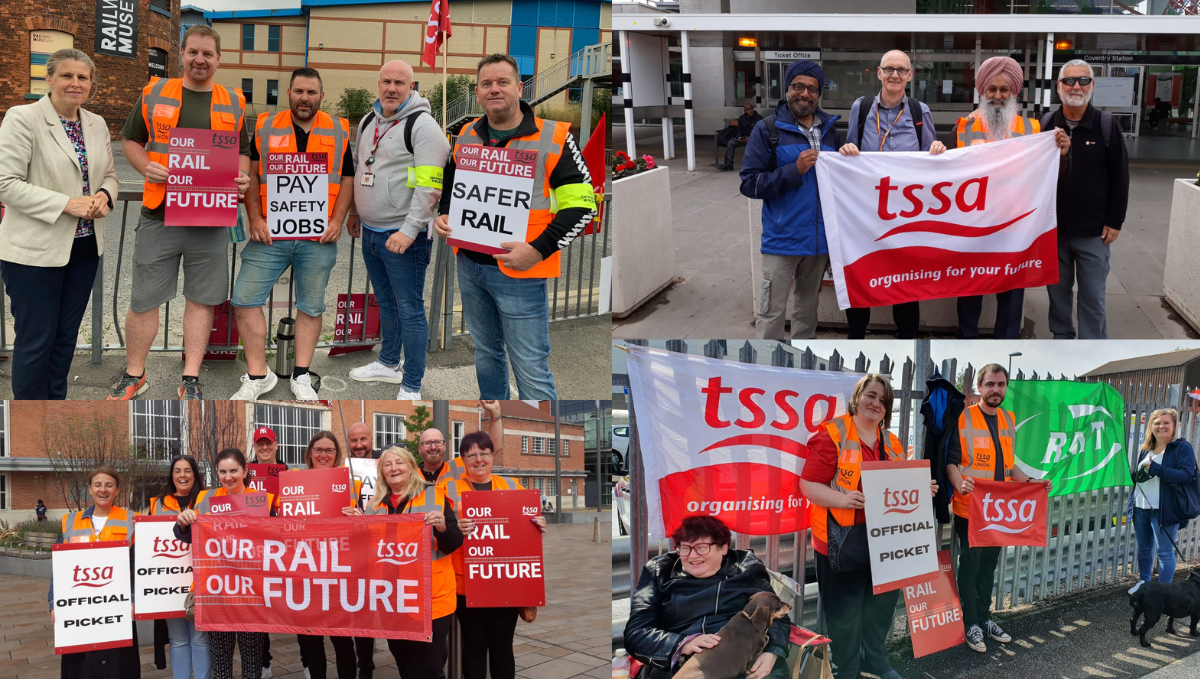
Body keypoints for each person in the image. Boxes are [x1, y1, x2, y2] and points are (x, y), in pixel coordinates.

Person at [432, 54, 598, 400]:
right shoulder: (466, 134)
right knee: (487, 356)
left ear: (518, 88)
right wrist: (445, 214)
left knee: (530, 367)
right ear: (477, 92)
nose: (495, 89)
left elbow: (583, 206)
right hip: (470, 266)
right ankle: (498, 427)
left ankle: (543, 442)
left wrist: (536, 250)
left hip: (519, 274)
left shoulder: (554, 137)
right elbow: (451, 185)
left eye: (502, 82)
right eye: (486, 84)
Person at [111, 24, 251, 400]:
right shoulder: (155, 92)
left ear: (219, 59)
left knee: (202, 300)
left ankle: (190, 378)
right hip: (160, 214)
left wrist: (243, 177)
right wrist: (145, 167)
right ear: (183, 54)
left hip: (210, 218)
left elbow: (242, 150)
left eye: (207, 53)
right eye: (193, 52)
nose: (200, 59)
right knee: (144, 299)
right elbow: (131, 140)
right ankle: (134, 374)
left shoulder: (234, 101)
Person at [0, 49, 118, 399]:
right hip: (33, 253)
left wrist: (104, 197)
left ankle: (54, 412)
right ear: (49, 79)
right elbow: (6, 183)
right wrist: (67, 204)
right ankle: (28, 425)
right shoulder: (23, 118)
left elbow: (110, 175)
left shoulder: (96, 123)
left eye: (83, 77)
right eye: (67, 75)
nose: (75, 83)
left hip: (84, 249)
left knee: (65, 339)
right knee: (36, 341)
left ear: (91, 83)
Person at [799, 374, 934, 679]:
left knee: (880, 609)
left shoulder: (893, 442)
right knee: (843, 616)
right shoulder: (832, 435)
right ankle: (845, 672)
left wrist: (922, 488)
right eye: (871, 396)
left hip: (886, 542)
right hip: (841, 543)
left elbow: (899, 487)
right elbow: (807, 485)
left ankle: (876, 663)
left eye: (883, 400)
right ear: (857, 397)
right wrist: (841, 499)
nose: (876, 403)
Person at [231, 67, 355, 400]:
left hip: (318, 237)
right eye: (299, 91)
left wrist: (338, 220)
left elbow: (346, 179)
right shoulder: (264, 126)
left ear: (321, 96)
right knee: (244, 300)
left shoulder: (339, 129)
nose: (305, 98)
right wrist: (254, 217)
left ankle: (301, 375)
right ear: (288, 93)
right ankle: (258, 375)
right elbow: (253, 176)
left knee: (312, 306)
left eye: (312, 92)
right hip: (270, 233)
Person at [345, 60, 448, 400]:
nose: (391, 88)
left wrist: (409, 229)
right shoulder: (368, 120)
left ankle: (412, 383)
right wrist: (356, 212)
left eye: (399, 83)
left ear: (411, 86)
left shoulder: (423, 125)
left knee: (410, 309)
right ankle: (388, 363)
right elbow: (362, 167)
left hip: (404, 237)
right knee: (386, 304)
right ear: (378, 84)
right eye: (386, 81)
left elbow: (431, 185)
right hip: (372, 232)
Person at [953, 56, 1069, 340]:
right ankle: (967, 339)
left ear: (1014, 92)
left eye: (1004, 90)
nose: (997, 96)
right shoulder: (963, 127)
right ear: (982, 91)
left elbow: (1048, 173)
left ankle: (1005, 343)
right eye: (991, 89)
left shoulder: (1033, 129)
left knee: (1012, 293)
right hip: (974, 227)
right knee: (970, 289)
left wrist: (1062, 154)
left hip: (1016, 227)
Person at [838, 50, 946, 340]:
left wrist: (937, 150)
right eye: (889, 69)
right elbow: (850, 154)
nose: (895, 75)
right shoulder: (860, 109)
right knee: (863, 274)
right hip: (867, 212)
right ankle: (856, 335)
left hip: (905, 215)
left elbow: (931, 162)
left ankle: (908, 336)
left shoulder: (918, 111)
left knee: (905, 280)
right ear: (879, 73)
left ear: (910, 75)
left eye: (901, 70)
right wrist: (846, 151)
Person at [945, 363, 1052, 653]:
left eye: (1001, 384)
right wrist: (959, 483)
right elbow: (951, 462)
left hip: (997, 511)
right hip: (970, 510)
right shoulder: (964, 418)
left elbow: (1008, 465)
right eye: (990, 384)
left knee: (988, 568)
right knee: (970, 567)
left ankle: (985, 618)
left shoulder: (1007, 419)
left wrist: (1030, 482)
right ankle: (971, 624)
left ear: (1005, 388)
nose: (996, 390)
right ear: (979, 387)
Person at [739, 59, 839, 341]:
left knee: (808, 312)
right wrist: (793, 171)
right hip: (782, 240)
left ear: (819, 94)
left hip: (818, 243)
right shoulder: (767, 130)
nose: (804, 94)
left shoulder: (830, 129)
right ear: (787, 89)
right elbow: (749, 183)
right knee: (772, 314)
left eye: (812, 89)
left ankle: (799, 365)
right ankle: (765, 368)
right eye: (798, 86)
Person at [345, 445, 463, 678]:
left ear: (410, 467)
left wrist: (441, 527)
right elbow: (366, 552)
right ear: (382, 473)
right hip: (393, 600)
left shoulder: (435, 495)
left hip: (432, 600)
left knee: (429, 668)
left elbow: (454, 543)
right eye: (387, 464)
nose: (393, 468)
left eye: (399, 462)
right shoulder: (373, 506)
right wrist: (356, 527)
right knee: (405, 664)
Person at [623, 516, 789, 679]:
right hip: (684, 665)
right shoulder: (659, 570)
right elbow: (637, 632)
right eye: (685, 548)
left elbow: (777, 616)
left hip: (742, 659)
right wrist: (681, 643)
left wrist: (773, 652)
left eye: (701, 547)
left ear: (723, 547)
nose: (692, 556)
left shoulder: (747, 567)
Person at [442, 431, 547, 679]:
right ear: (462, 459)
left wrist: (538, 523)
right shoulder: (445, 490)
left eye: (484, 454)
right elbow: (441, 532)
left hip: (505, 581)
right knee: (475, 645)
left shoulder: (512, 486)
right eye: (472, 455)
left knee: (502, 646)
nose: (479, 460)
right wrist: (457, 527)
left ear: (492, 455)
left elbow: (525, 529)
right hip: (466, 583)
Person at [1042, 60, 1129, 340]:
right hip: (1054, 231)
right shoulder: (1044, 124)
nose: (1075, 86)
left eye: (1083, 80)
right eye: (1069, 80)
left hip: (1094, 233)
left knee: (1092, 299)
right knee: (1058, 296)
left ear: (1093, 86)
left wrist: (1115, 221)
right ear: (1058, 87)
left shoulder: (1105, 125)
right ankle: (1062, 340)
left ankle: (1092, 347)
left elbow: (1120, 177)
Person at [175, 449, 275, 679]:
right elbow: (188, 535)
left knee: (252, 660)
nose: (228, 476)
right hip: (216, 589)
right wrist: (182, 523)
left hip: (252, 591)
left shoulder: (262, 500)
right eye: (223, 471)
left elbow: (277, 539)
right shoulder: (204, 499)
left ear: (245, 471)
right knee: (220, 661)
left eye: (233, 471)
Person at [49, 467, 140, 679]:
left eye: (109, 485)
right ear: (89, 489)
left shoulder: (131, 520)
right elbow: (60, 567)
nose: (103, 490)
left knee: (119, 663)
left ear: (117, 490)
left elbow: (136, 565)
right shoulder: (70, 521)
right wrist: (54, 603)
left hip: (117, 604)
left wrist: (133, 600)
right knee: (82, 665)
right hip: (80, 608)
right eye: (98, 485)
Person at [295, 432, 364, 679]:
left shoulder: (351, 485)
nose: (323, 455)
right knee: (310, 642)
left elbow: (363, 531)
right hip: (304, 576)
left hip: (338, 576)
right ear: (309, 452)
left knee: (343, 642)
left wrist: (358, 519)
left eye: (329, 450)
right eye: (318, 449)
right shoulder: (293, 482)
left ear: (337, 454)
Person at [150, 456, 210, 679]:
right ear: (171, 475)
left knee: (200, 638)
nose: (182, 475)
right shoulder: (157, 503)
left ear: (195, 474)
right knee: (177, 639)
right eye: (177, 471)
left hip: (201, 580)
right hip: (169, 583)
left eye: (187, 470)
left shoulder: (206, 500)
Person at [1127, 408, 1199, 594]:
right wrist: (1131, 475)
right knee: (1144, 548)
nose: (1161, 426)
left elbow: (1186, 475)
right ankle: (1145, 583)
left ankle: (1163, 592)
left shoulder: (1181, 447)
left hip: (1164, 509)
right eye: (1157, 423)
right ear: (1151, 426)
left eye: (1166, 423)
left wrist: (1157, 469)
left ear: (1174, 426)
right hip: (1141, 507)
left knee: (1164, 552)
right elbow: (1143, 479)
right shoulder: (1146, 449)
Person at [419, 400, 504, 484]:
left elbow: (491, 448)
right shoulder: (411, 475)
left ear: (445, 445)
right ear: (420, 449)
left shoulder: (460, 466)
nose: (433, 447)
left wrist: (495, 415)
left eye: (438, 442)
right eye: (427, 443)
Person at [717, 103, 763, 171]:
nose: (750, 111)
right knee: (731, 142)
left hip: (754, 138)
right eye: (748, 109)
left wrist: (750, 138)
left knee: (756, 145)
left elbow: (759, 131)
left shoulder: (759, 118)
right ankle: (729, 164)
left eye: (751, 109)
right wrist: (739, 138)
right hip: (743, 138)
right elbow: (739, 130)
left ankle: (755, 164)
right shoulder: (742, 118)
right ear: (744, 111)